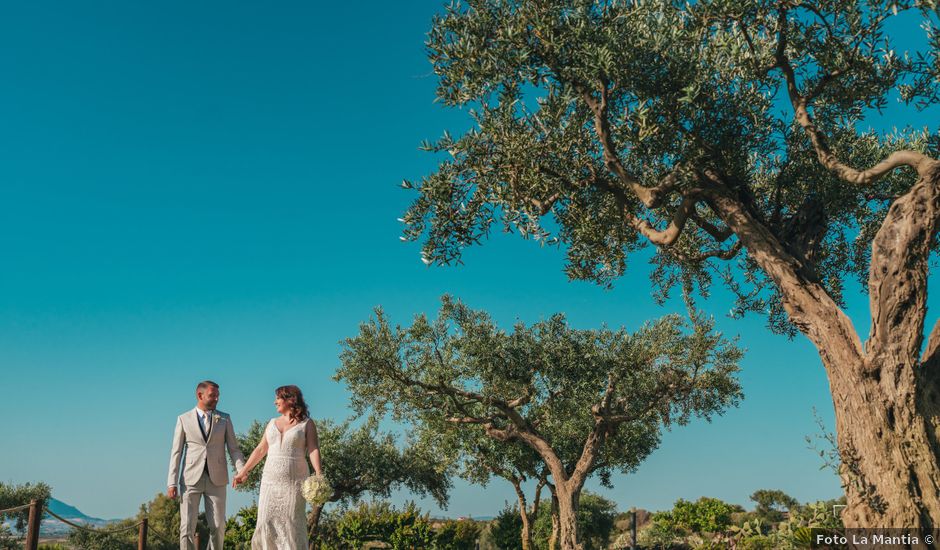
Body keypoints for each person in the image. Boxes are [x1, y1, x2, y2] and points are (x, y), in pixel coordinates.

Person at [233, 384, 322, 549]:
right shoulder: (272, 423)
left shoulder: (307, 424)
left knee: (291, 523)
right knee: (266, 521)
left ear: (291, 399)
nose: (275, 402)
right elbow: (260, 449)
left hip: (293, 484)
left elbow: (313, 449)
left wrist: (318, 474)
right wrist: (243, 472)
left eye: (278, 398)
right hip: (270, 482)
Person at [167, 380, 246, 550]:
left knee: (218, 526)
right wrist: (172, 482)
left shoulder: (225, 419)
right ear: (200, 395)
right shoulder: (183, 419)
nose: (217, 398)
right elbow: (176, 453)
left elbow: (234, 449)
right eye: (213, 395)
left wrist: (241, 470)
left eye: (218, 395)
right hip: (190, 480)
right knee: (186, 527)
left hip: (217, 479)